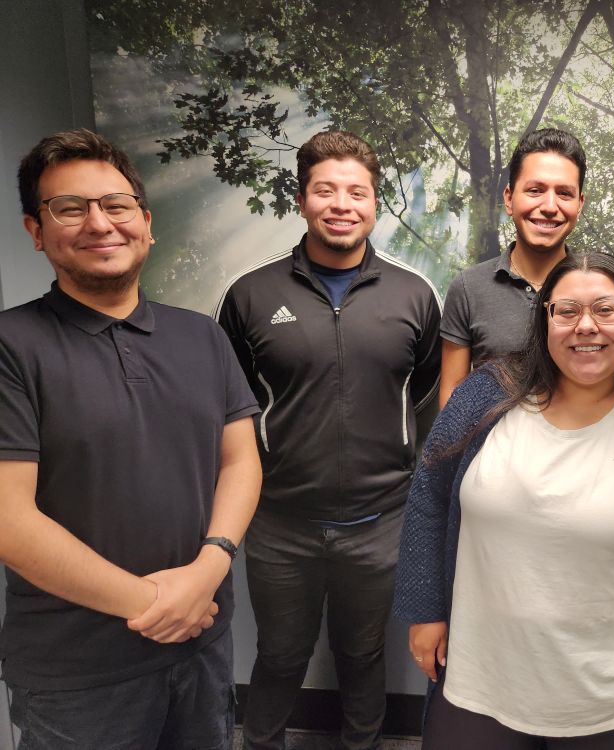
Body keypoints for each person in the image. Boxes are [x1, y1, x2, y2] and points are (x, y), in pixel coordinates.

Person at [394, 251, 614, 750]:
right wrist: (425, 609)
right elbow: (429, 497)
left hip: (610, 700)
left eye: (605, 309)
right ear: (544, 320)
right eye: (567, 311)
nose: (586, 327)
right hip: (480, 677)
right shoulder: (485, 395)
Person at [0, 128, 262, 748]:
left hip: (201, 648)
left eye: (115, 205)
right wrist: (151, 602)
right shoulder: (13, 347)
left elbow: (241, 461)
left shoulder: (201, 336)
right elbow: (8, 516)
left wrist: (209, 568)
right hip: (77, 674)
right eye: (70, 207)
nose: (98, 223)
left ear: (145, 222)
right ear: (36, 231)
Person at [217, 129, 441, 750]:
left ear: (374, 203)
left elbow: (422, 388)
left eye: (357, 192)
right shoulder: (250, 296)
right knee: (281, 657)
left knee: (363, 654)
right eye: (326, 190)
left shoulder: (413, 295)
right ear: (303, 198)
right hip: (280, 522)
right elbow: (233, 401)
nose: (342, 204)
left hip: (379, 522)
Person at [438, 128, 586, 407]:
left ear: (579, 205)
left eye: (564, 193)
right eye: (535, 190)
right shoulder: (469, 288)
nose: (549, 206)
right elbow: (452, 394)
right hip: (492, 449)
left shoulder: (600, 288)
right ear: (509, 198)